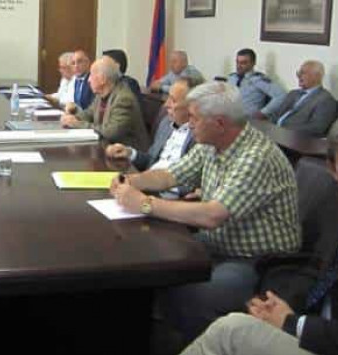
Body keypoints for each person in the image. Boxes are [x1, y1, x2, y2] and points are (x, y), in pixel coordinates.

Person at [180, 109, 338, 355]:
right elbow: (308, 264)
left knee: (231, 331)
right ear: (334, 171)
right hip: (315, 329)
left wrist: (294, 324)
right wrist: (274, 304)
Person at [110, 81, 300, 341]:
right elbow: (170, 175)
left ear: (219, 123)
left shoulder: (256, 156)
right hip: (218, 245)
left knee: (188, 293)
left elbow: (213, 215)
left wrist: (145, 204)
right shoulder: (211, 144)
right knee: (149, 262)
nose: (189, 124)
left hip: (257, 261)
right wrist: (131, 181)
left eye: (194, 118)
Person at [106, 77, 195, 171]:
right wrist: (130, 153)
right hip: (149, 176)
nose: (166, 105)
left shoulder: (198, 137)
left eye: (173, 100)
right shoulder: (166, 123)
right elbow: (150, 159)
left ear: (191, 107)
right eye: (168, 97)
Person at [60, 57, 149, 150]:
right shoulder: (101, 95)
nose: (88, 80)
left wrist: (77, 124)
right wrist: (72, 118)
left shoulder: (123, 99)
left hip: (127, 153)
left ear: (102, 79)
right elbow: (88, 114)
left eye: (91, 75)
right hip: (107, 147)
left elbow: (111, 133)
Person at [272, 60, 338, 137]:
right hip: (275, 133)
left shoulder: (325, 99)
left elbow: (317, 128)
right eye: (298, 73)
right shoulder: (293, 93)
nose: (298, 76)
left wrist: (283, 128)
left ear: (317, 76)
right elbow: (276, 114)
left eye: (303, 73)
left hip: (294, 138)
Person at [227, 48, 286, 119]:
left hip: (248, 119)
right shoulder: (232, 78)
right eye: (237, 62)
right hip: (230, 117)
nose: (239, 66)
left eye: (243, 63)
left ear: (253, 63)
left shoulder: (259, 80)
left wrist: (264, 112)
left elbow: (281, 96)